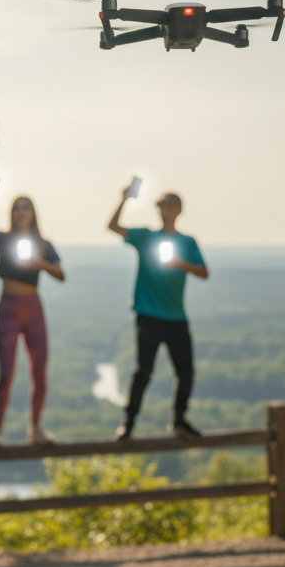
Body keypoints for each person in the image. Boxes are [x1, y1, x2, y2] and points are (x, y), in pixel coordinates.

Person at [107, 188, 209, 441]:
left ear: (179, 211)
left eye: (171, 207)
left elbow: (203, 272)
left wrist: (179, 263)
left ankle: (179, 421)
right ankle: (128, 423)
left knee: (186, 372)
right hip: (148, 316)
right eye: (162, 207)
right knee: (143, 372)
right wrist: (124, 199)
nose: (166, 211)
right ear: (159, 210)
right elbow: (113, 226)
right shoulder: (145, 237)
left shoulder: (188, 242)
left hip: (176, 317)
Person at [0, 191, 65, 446]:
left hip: (33, 308)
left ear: (33, 214)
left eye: (26, 208)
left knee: (39, 370)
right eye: (17, 208)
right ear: (12, 214)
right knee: (6, 372)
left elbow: (61, 274)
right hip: (8, 308)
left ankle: (36, 427)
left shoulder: (43, 244)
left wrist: (39, 262)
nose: (21, 212)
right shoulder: (3, 239)